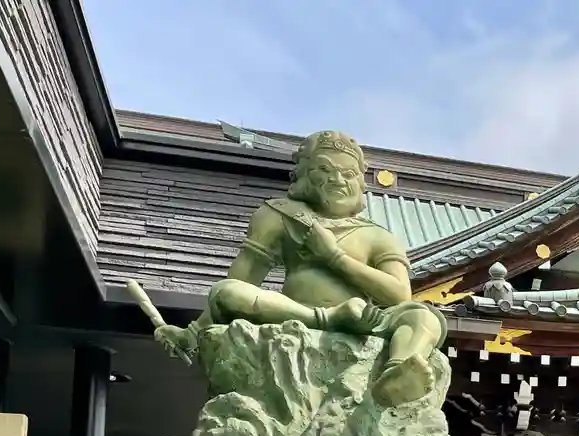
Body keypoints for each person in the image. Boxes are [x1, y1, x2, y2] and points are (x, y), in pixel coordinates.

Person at [154, 129, 447, 408]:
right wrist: (193, 333)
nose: (338, 180)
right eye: (325, 170)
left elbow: (399, 295)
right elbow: (243, 279)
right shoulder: (279, 215)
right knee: (226, 291)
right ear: (305, 174)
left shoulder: (378, 235)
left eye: (348, 174)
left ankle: (398, 372)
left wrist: (334, 257)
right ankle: (328, 318)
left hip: (362, 318)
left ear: (360, 182)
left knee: (424, 316)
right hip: (296, 313)